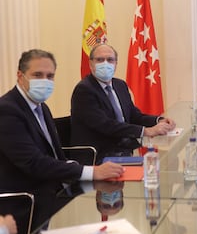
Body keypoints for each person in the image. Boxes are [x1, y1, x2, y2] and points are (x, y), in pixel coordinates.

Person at [0, 49, 125, 192]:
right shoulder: (6, 110)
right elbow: (33, 162)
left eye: (50, 76)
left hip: (57, 183)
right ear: (20, 76)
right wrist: (92, 172)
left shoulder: (42, 107)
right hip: (29, 196)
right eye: (37, 75)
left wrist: (77, 168)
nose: (44, 81)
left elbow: (54, 155)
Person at [70, 44, 176, 164]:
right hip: (98, 156)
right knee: (154, 168)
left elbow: (134, 116)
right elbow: (105, 125)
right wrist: (146, 131)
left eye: (110, 60)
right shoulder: (84, 90)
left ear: (116, 64)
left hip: (121, 150)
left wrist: (159, 121)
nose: (105, 63)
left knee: (166, 162)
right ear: (91, 64)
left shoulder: (120, 85)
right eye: (100, 60)